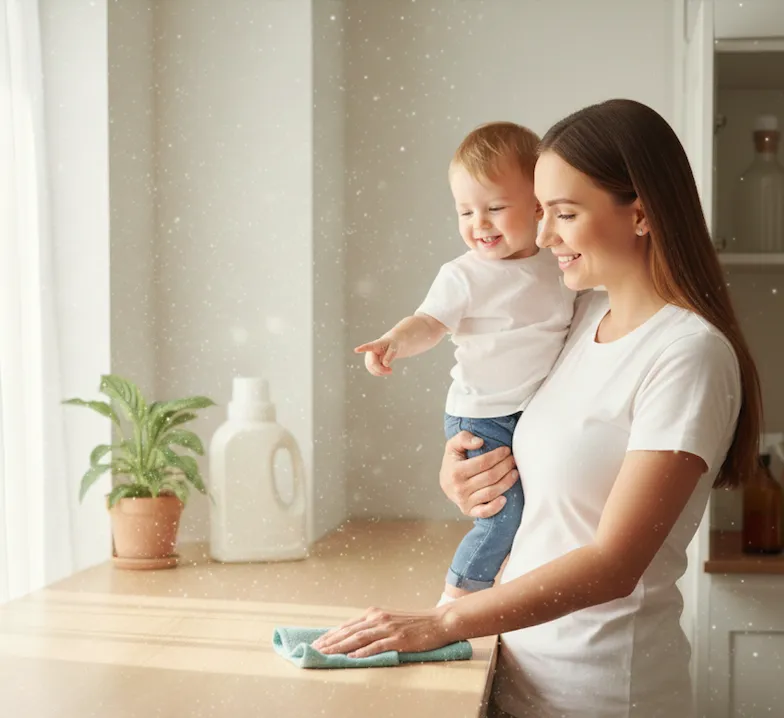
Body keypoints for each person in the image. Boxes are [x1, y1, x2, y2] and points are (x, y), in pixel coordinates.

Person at [313, 99, 762, 718]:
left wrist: (445, 621)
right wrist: (465, 473)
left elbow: (613, 565)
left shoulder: (688, 355)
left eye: (566, 214)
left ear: (642, 214)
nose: (544, 235)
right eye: (542, 211)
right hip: (517, 669)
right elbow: (546, 475)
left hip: (602, 692)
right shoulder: (580, 318)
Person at [354, 121, 575, 605]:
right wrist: (394, 341)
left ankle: (501, 593)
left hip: (529, 411)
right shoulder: (464, 275)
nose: (480, 224)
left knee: (535, 510)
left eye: (495, 207)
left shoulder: (558, 263)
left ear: (538, 206)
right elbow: (429, 323)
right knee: (502, 512)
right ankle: (458, 597)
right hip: (483, 414)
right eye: (465, 211)